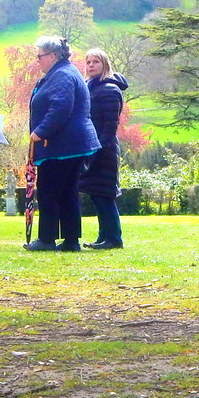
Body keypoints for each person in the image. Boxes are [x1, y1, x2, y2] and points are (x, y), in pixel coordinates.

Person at [25, 36, 99, 251]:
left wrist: (40, 132)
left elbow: (60, 107)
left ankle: (47, 239)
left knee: (49, 191)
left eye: (39, 56)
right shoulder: (63, 73)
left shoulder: (62, 75)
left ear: (51, 56)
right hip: (70, 145)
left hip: (61, 146)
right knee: (68, 192)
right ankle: (70, 240)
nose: (37, 60)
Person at [78, 48, 127, 249]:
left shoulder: (109, 90)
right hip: (93, 147)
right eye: (88, 62)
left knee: (104, 194)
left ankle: (114, 238)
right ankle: (103, 236)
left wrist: (99, 148)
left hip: (104, 149)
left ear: (104, 64)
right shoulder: (90, 87)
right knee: (96, 193)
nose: (90, 66)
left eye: (95, 62)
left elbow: (110, 124)